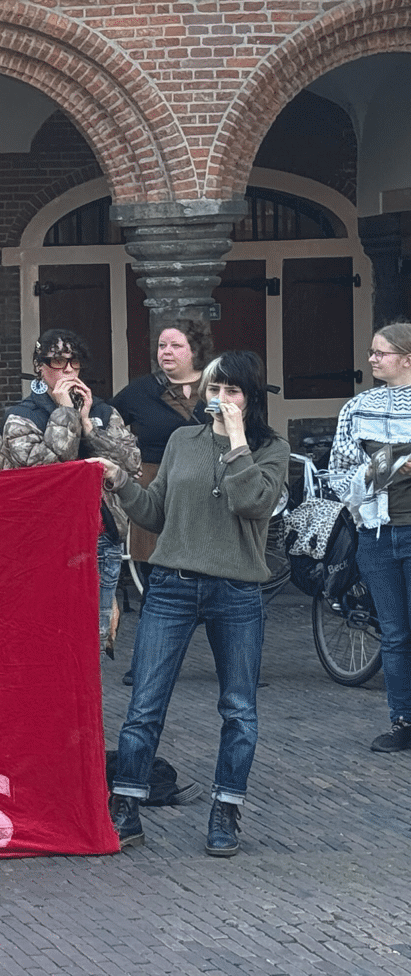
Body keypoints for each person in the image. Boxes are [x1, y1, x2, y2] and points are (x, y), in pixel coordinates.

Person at [104, 351, 289, 857]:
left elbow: (252, 502)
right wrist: (121, 483)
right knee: (145, 703)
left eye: (232, 391)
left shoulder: (271, 449)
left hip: (237, 590)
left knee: (239, 709)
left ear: (250, 398)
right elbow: (156, 513)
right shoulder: (183, 440)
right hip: (172, 585)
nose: (221, 399)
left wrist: (237, 443)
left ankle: (226, 810)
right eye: (214, 389)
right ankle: (127, 808)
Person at [0, 329, 142, 659]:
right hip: (43, 543)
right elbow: (45, 470)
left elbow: (131, 464)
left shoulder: (102, 411)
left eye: (74, 362)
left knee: (93, 644)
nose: (67, 370)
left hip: (99, 539)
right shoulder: (21, 417)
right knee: (47, 643)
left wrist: (89, 426)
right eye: (57, 362)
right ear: (39, 366)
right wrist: (65, 413)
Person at [324, 321, 411, 753]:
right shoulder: (358, 407)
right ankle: (402, 721)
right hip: (376, 535)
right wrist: (385, 468)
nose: (372, 359)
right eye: (372, 351)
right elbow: (339, 476)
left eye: (381, 352)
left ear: (407, 359)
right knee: (394, 634)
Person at [112, 318, 213, 590]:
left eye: (176, 346)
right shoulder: (141, 391)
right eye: (161, 346)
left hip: (207, 486)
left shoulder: (216, 387)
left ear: (195, 349)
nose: (166, 351)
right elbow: (106, 422)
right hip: (155, 487)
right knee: (156, 573)